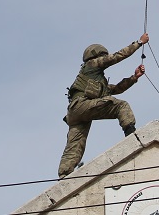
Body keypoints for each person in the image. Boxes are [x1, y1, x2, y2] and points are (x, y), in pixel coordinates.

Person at [57, 33, 149, 178]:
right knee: (121, 106)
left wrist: (134, 77)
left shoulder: (95, 79)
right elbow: (117, 56)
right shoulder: (91, 65)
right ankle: (131, 135)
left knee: (75, 145)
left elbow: (116, 89)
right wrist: (139, 43)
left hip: (75, 113)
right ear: (97, 55)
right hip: (82, 105)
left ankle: (64, 175)